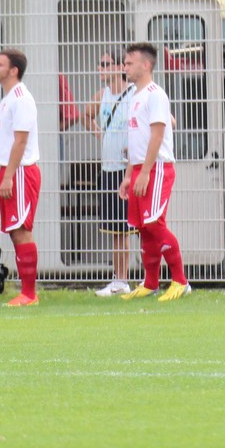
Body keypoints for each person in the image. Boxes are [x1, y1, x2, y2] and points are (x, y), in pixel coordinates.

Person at [119, 42, 191, 302]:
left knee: (154, 223)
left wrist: (146, 172)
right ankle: (150, 283)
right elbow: (136, 140)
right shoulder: (134, 96)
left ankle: (180, 281)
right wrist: (129, 175)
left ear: (145, 65)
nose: (124, 67)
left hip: (157, 167)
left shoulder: (155, 94)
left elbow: (158, 135)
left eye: (129, 62)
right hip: (140, 168)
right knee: (144, 228)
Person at [0, 48, 41, 307]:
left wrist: (9, 176)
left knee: (22, 231)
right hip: (11, 170)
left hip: (21, 171)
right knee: (15, 231)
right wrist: (2, 174)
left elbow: (21, 142)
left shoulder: (21, 98)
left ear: (13, 70)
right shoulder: (7, 98)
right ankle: (27, 291)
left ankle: (29, 294)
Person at [85, 50, 136, 296]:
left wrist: (136, 142)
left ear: (119, 67)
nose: (100, 68)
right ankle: (118, 279)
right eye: (100, 63)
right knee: (115, 229)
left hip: (126, 171)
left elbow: (167, 121)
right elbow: (84, 115)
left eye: (105, 64)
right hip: (107, 168)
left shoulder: (134, 95)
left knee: (126, 228)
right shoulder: (102, 95)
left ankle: (124, 279)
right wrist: (98, 133)